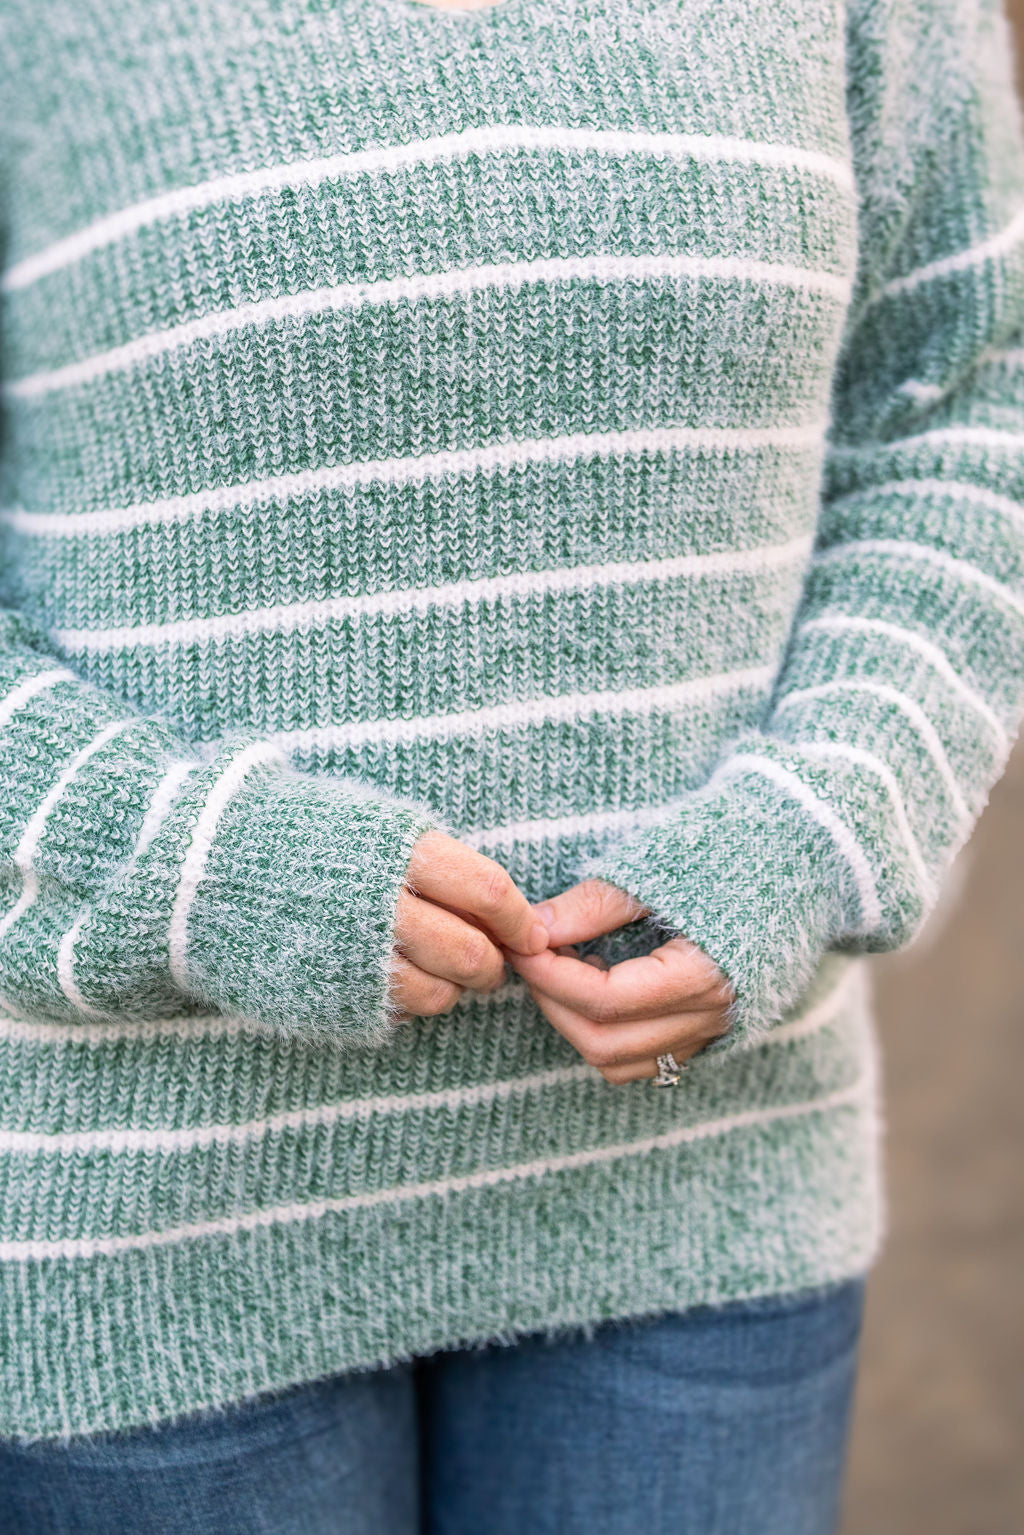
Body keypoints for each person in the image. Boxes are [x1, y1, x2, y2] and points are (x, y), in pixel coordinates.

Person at [0, 0, 1020, 1529]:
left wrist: (807, 835)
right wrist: (193, 866)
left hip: (701, 1192)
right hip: (155, 1225)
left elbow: (961, 415)